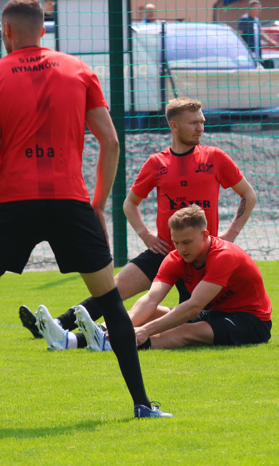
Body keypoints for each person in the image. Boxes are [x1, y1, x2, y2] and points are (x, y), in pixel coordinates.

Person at [0, 0, 171, 427]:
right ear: (45, 29)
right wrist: (96, 205)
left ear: (5, 32)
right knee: (111, 304)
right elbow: (111, 142)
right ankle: (142, 404)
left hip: (12, 204)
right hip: (69, 202)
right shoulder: (80, 70)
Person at [21, 96, 257, 351]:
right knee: (112, 291)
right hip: (164, 251)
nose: (201, 127)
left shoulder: (215, 157)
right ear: (174, 126)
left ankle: (93, 337)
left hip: (199, 257)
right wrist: (146, 235)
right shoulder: (157, 163)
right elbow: (129, 203)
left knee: (186, 316)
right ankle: (57, 325)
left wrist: (230, 234)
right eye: (194, 123)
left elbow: (248, 195)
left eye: (202, 122)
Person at [70, 205, 272, 351]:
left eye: (187, 242)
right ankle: (76, 339)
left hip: (251, 320)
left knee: (186, 331)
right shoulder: (175, 257)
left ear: (205, 235)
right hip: (215, 311)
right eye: (176, 242)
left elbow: (194, 305)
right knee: (152, 311)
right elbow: (151, 298)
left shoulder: (224, 256)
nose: (181, 249)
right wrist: (124, 326)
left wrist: (144, 331)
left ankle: (116, 345)